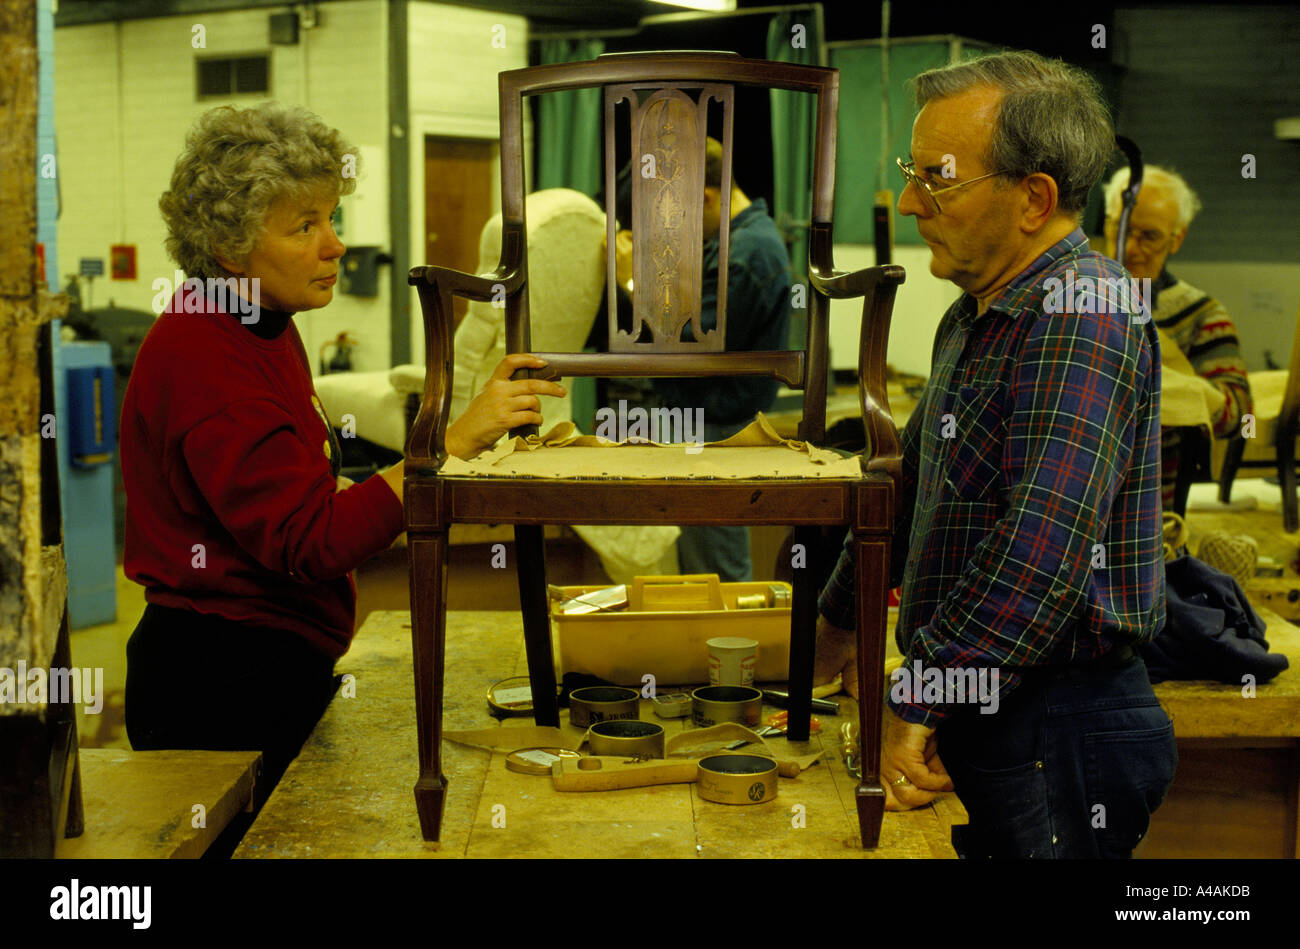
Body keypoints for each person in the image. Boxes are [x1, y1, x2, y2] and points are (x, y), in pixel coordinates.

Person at [121, 102, 564, 807]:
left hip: (261, 659)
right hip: (221, 684)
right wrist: (437, 448)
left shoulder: (260, 323)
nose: (335, 246)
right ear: (232, 247)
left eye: (333, 219)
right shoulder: (211, 360)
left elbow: (305, 486)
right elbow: (309, 540)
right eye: (306, 226)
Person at [812, 51, 1177, 858]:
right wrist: (837, 621)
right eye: (914, 173)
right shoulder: (980, 315)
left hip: (1057, 723)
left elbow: (1041, 554)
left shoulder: (1084, 311)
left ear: (1033, 198)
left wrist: (918, 695)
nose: (910, 202)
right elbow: (910, 489)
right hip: (991, 702)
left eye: (936, 179)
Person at [609, 137, 792, 580]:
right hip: (696, 423)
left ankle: (736, 650)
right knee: (697, 569)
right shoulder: (732, 241)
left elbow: (687, 341)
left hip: (714, 432)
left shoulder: (747, 253)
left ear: (707, 196)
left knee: (720, 574)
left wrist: (632, 284)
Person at [1102, 165, 1252, 510]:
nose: (1130, 247)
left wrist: (1182, 391)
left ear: (1177, 239)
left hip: (1150, 511)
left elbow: (1241, 417)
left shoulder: (1202, 315)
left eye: (1149, 236)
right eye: (1119, 228)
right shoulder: (1071, 298)